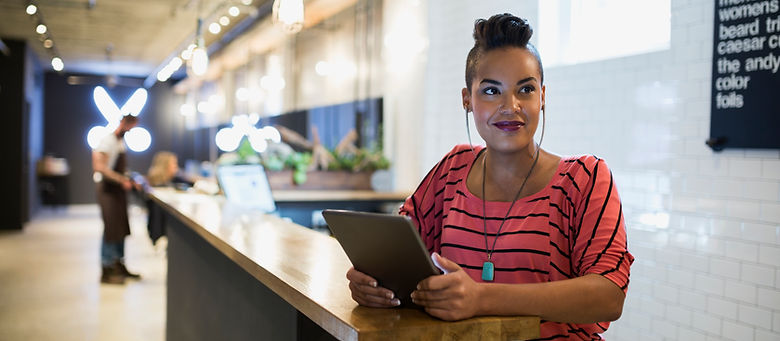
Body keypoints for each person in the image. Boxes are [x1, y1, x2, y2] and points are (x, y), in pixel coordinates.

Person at [346, 13, 633, 340]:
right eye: (491, 91)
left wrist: (481, 297)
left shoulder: (585, 179)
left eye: (526, 89)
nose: (510, 106)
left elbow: (609, 295)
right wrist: (373, 281)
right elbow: (397, 251)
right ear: (467, 100)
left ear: (542, 97)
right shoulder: (451, 170)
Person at [92, 114, 142, 285]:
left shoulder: (120, 142)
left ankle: (118, 264)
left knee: (120, 227)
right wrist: (121, 180)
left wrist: (130, 179)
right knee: (111, 227)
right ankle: (107, 267)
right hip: (107, 189)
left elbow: (119, 167)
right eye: (130, 126)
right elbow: (99, 166)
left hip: (118, 191)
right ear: (123, 123)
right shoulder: (107, 141)